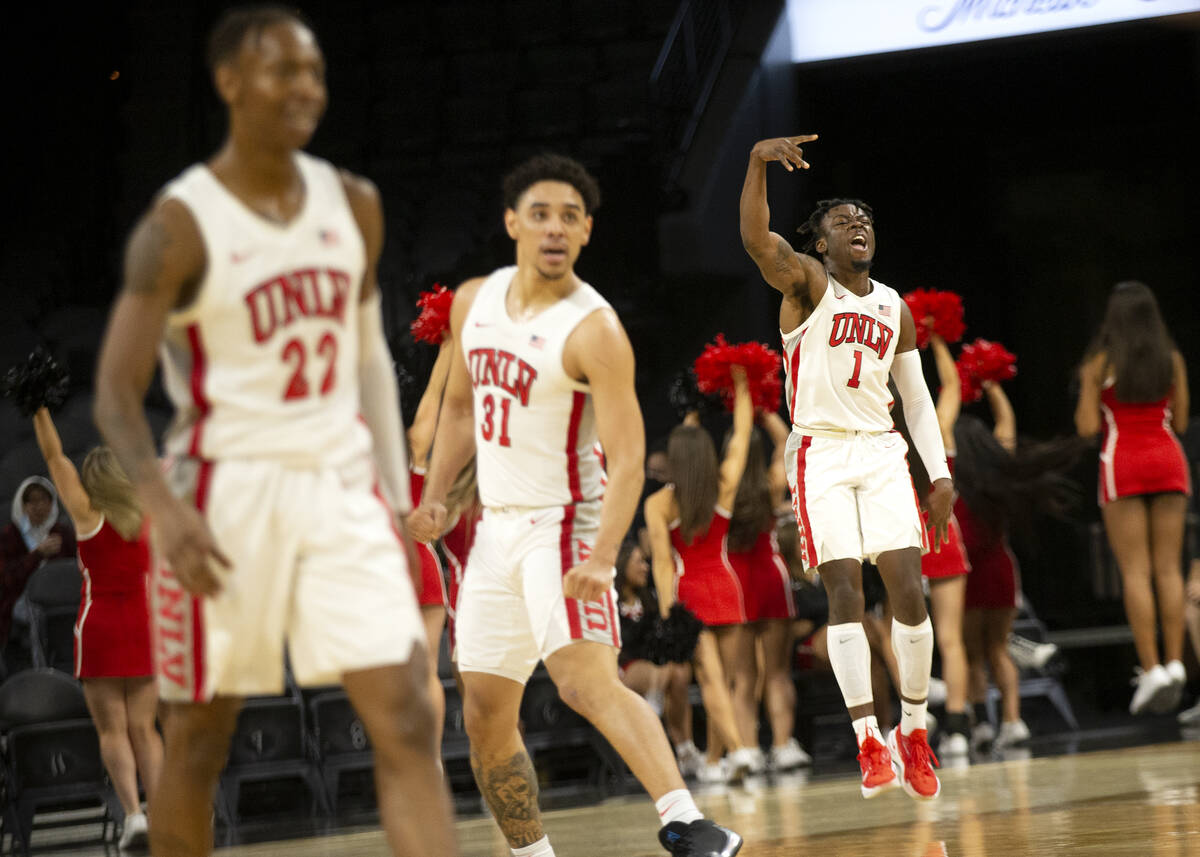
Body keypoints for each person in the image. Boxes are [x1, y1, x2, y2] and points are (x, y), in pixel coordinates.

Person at [91, 8, 458, 857]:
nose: (305, 88)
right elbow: (115, 391)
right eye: (282, 69)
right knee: (200, 739)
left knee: (407, 709)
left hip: (337, 485)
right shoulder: (178, 222)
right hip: (224, 491)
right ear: (228, 83)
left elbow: (368, 359)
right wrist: (166, 512)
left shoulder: (353, 204)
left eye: (314, 71)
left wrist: (396, 496)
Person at [408, 153, 742, 857]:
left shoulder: (595, 328)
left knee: (583, 680)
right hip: (496, 528)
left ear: (587, 231)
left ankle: (688, 822)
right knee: (485, 713)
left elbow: (627, 460)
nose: (554, 228)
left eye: (569, 217)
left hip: (565, 521)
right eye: (540, 214)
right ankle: (533, 854)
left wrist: (599, 555)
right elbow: (462, 410)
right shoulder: (473, 301)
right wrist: (436, 497)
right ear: (512, 224)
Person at [740, 135, 953, 801]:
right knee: (845, 594)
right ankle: (868, 735)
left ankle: (913, 729)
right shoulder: (805, 285)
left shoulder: (895, 306)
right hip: (821, 452)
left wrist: (940, 474)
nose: (857, 223)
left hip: (882, 448)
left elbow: (915, 399)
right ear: (822, 245)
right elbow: (756, 239)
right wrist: (754, 164)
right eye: (841, 220)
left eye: (864, 217)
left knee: (909, 589)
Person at [31, 407, 161, 850]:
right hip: (144, 625)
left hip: (101, 627)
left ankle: (135, 817)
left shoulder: (87, 515)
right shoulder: (148, 515)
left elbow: (54, 458)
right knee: (145, 729)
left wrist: (38, 409)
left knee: (113, 731)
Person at [1075, 281, 1190, 714]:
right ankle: (1177, 662)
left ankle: (1152, 668)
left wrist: (1092, 385)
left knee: (1136, 572)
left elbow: (1087, 427)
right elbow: (1179, 422)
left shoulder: (1101, 362)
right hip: (1167, 458)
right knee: (1169, 569)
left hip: (1123, 460)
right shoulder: (1172, 360)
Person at [645, 387, 760, 785]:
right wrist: (743, 385)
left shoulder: (659, 504)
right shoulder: (723, 483)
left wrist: (666, 611)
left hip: (690, 595)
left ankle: (734, 753)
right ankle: (722, 759)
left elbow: (662, 563)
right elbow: (742, 434)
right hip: (727, 589)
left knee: (711, 682)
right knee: (724, 683)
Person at [725, 412, 811, 772]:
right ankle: (783, 745)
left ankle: (748, 751)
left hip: (737, 583)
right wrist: (762, 411)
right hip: (772, 578)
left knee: (743, 678)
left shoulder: (722, 487)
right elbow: (786, 442)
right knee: (777, 672)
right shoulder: (772, 481)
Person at [901, 335, 973, 759]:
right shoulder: (938, 429)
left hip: (903, 541)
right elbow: (954, 385)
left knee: (905, 633)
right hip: (943, 538)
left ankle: (916, 715)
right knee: (951, 639)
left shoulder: (885, 434)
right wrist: (938, 339)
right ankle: (960, 728)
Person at [1, 476, 76, 659]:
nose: (39, 506)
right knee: (37, 613)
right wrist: (37, 555)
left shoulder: (62, 532)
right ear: (23, 505)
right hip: (21, 600)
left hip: (61, 597)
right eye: (32, 501)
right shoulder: (10, 535)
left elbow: (76, 567)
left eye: (44, 500)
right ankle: (40, 663)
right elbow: (7, 578)